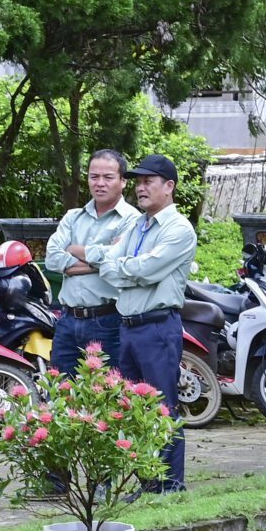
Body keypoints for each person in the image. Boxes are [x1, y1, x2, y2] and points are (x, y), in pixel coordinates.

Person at [88, 154, 197, 492]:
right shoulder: (138, 224)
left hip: (157, 327)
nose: (141, 187)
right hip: (128, 327)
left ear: (169, 186)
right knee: (132, 408)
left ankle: (169, 484)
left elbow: (147, 269)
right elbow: (109, 261)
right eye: (138, 180)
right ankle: (147, 482)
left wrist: (125, 268)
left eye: (149, 181)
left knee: (162, 408)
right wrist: (127, 269)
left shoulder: (178, 229)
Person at [46, 150, 136, 375]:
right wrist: (102, 260)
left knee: (107, 395)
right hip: (67, 320)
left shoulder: (133, 220)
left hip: (108, 320)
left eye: (108, 177)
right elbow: (52, 259)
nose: (100, 183)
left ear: (123, 181)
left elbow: (123, 263)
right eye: (94, 176)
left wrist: (74, 250)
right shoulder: (72, 217)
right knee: (60, 393)